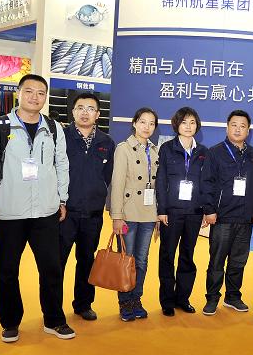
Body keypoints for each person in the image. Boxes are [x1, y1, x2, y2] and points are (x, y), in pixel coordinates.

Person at [0, 74, 73, 343]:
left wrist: (62, 199)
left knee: (51, 269)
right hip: (9, 212)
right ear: (19, 93)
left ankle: (54, 319)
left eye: (41, 93)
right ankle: (10, 322)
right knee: (7, 271)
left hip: (46, 212)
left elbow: (62, 165)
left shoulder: (54, 128)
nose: (35, 97)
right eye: (29, 91)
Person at [59, 92, 115, 321]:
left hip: (92, 214)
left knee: (86, 260)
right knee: (57, 261)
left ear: (98, 114)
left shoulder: (106, 142)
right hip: (64, 213)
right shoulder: (61, 137)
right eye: (80, 108)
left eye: (90, 109)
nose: (85, 112)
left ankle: (83, 304)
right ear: (73, 112)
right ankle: (53, 308)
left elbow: (108, 176)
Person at [200, 110, 253, 315]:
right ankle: (212, 298)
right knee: (217, 261)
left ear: (248, 131)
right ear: (227, 128)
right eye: (234, 125)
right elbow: (206, 183)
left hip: (246, 217)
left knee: (238, 261)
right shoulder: (215, 152)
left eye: (243, 126)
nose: (238, 129)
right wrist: (209, 210)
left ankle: (233, 296)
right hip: (222, 217)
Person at [155, 107, 207, 317]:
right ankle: (167, 301)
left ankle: (183, 298)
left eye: (192, 122)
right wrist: (162, 210)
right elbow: (161, 180)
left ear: (197, 126)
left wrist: (205, 209)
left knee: (188, 255)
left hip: (194, 212)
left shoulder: (203, 151)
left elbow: (207, 183)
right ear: (177, 125)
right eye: (184, 122)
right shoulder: (167, 148)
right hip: (172, 212)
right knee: (167, 255)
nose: (188, 126)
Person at [110, 107, 160, 322]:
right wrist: (116, 216)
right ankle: (124, 301)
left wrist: (158, 215)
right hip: (128, 212)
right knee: (126, 260)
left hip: (149, 214)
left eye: (151, 123)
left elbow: (159, 187)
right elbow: (117, 184)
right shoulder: (123, 149)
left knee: (141, 260)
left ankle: (136, 298)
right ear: (134, 124)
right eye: (143, 122)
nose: (147, 127)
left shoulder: (155, 151)